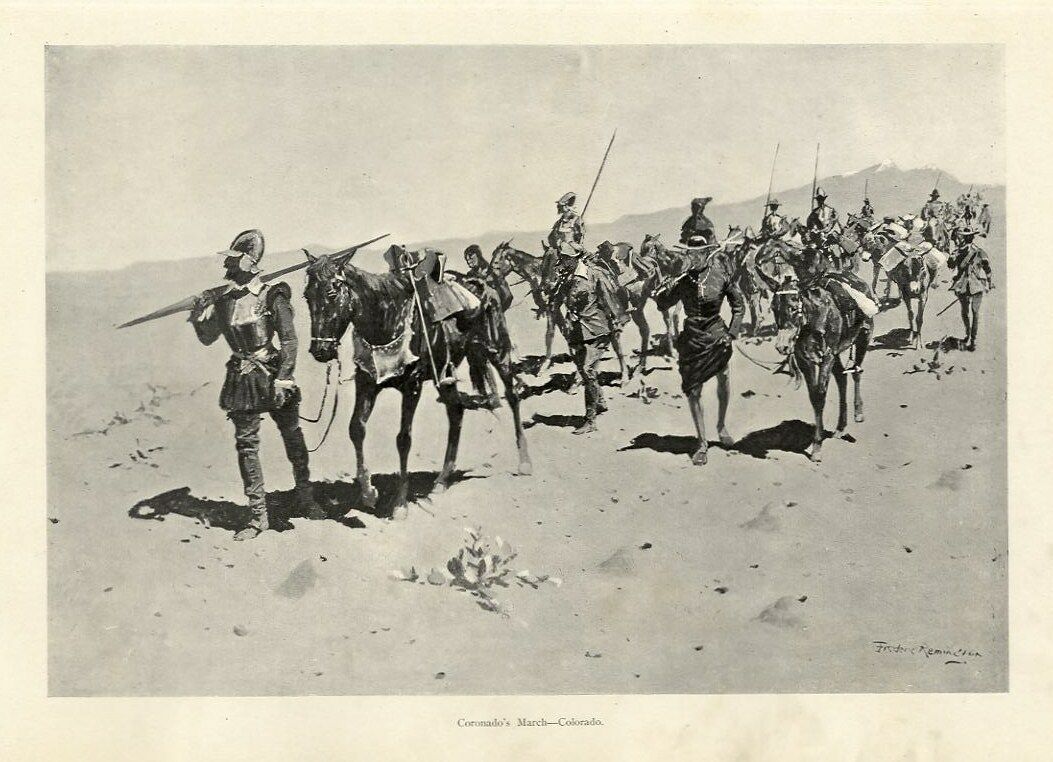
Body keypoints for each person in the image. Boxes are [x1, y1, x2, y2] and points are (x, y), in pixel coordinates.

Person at [189, 229, 326, 541]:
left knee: (292, 436)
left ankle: (306, 498)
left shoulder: (272, 296)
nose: (227, 270)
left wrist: (284, 378)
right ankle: (257, 517)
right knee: (246, 446)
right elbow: (209, 337)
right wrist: (199, 315)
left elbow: (289, 340)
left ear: (249, 264)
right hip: (241, 377)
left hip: (273, 372)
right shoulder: (223, 302)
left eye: (234, 264)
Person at [653, 235, 744, 465]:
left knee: (723, 379)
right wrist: (663, 288)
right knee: (693, 390)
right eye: (689, 254)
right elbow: (664, 303)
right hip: (692, 339)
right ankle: (702, 442)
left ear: (706, 254)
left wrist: (731, 333)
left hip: (717, 337)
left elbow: (739, 306)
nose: (692, 258)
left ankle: (721, 426)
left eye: (696, 254)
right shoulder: (683, 281)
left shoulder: (721, 276)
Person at [559, 247, 624, 435]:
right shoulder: (567, 276)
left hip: (598, 329)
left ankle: (590, 420)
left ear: (575, 258)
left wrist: (619, 319)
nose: (563, 261)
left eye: (565, 258)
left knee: (587, 371)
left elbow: (609, 296)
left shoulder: (592, 274)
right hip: (579, 331)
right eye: (562, 258)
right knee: (583, 368)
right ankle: (600, 402)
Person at [946, 225, 992, 351]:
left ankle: (970, 336)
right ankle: (972, 338)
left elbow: (950, 265)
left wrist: (951, 257)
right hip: (976, 286)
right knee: (973, 312)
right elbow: (987, 269)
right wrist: (989, 282)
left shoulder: (959, 251)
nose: (966, 238)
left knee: (967, 312)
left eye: (966, 237)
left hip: (963, 286)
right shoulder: (979, 251)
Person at [464, 244, 513, 311]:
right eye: (467, 259)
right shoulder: (469, 275)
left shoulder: (492, 271)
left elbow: (507, 295)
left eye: (471, 257)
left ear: (478, 256)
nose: (469, 261)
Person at [548, 192, 586, 257]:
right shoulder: (559, 222)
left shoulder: (576, 220)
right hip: (558, 249)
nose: (558, 208)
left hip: (571, 250)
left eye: (560, 206)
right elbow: (551, 236)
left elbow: (579, 236)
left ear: (566, 207)